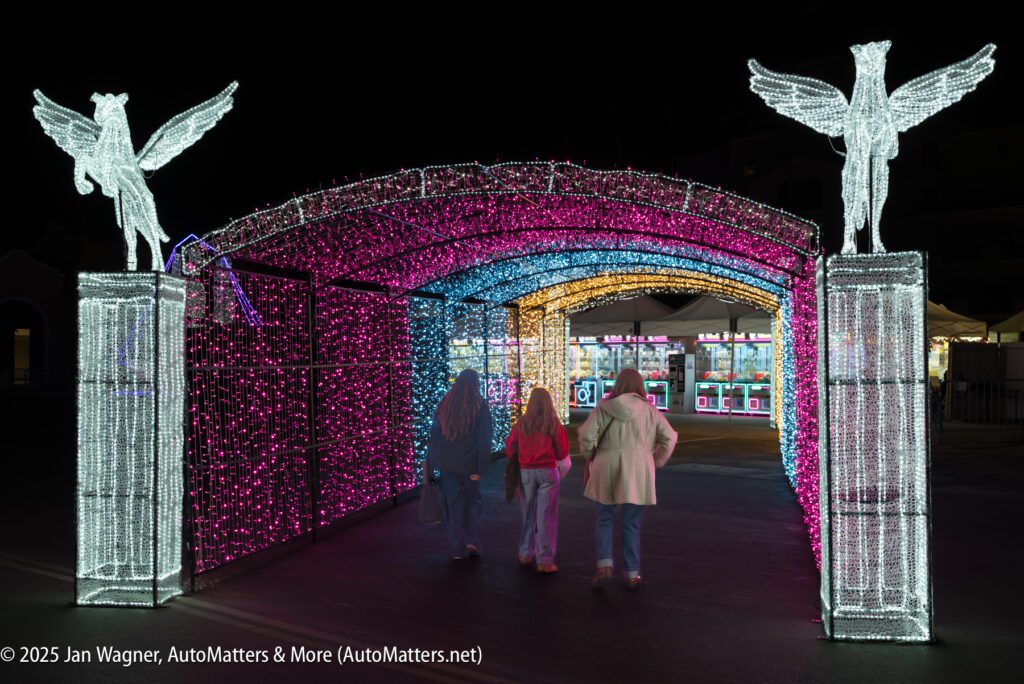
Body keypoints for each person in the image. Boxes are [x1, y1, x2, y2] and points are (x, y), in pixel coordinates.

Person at [578, 368, 678, 589]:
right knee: (631, 522)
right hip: (639, 468)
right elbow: (670, 437)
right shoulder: (650, 410)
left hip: (607, 465)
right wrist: (656, 459)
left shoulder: (604, 408)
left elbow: (586, 434)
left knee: (605, 516)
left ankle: (604, 564)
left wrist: (589, 454)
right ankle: (632, 573)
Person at [427, 369, 494, 560]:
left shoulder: (445, 404)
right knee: (473, 499)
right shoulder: (480, 406)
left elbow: (435, 435)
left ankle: (455, 548)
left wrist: (434, 462)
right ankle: (473, 540)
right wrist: (480, 467)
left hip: (447, 463)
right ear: (476, 384)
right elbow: (484, 439)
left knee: (453, 503)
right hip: (470, 464)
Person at [506, 387, 570, 574]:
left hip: (526, 472)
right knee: (546, 516)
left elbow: (510, 449)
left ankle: (525, 552)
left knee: (527, 514)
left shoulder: (521, 424)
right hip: (548, 472)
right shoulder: (553, 424)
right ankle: (545, 559)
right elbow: (562, 452)